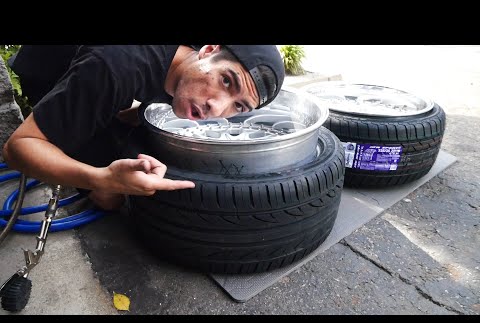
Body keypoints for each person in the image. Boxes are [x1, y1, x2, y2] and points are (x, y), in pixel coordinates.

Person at [3, 45, 285, 210]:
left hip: (102, 73)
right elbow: (16, 148)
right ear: (208, 50)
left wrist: (137, 113)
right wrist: (101, 178)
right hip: (49, 68)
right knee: (112, 198)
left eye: (238, 106)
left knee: (135, 130)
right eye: (226, 81)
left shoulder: (197, 63)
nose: (218, 107)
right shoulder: (114, 70)